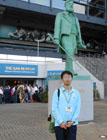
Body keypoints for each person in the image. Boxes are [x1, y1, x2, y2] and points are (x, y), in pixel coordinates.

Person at [54, 0, 86, 75]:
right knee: (69, 52)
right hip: (66, 36)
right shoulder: (60, 15)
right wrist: (56, 38)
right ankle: (70, 70)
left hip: (74, 37)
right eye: (69, 4)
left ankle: (67, 70)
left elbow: (78, 30)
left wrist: (79, 42)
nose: (71, 5)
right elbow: (57, 27)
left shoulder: (75, 18)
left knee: (70, 54)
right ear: (65, 5)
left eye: (72, 4)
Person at [52, 71, 81, 140]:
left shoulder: (76, 93)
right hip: (59, 125)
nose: (67, 79)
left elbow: (78, 109)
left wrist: (73, 121)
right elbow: (54, 109)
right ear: (62, 79)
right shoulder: (57, 92)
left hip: (72, 124)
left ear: (71, 79)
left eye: (69, 77)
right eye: (65, 77)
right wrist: (61, 122)